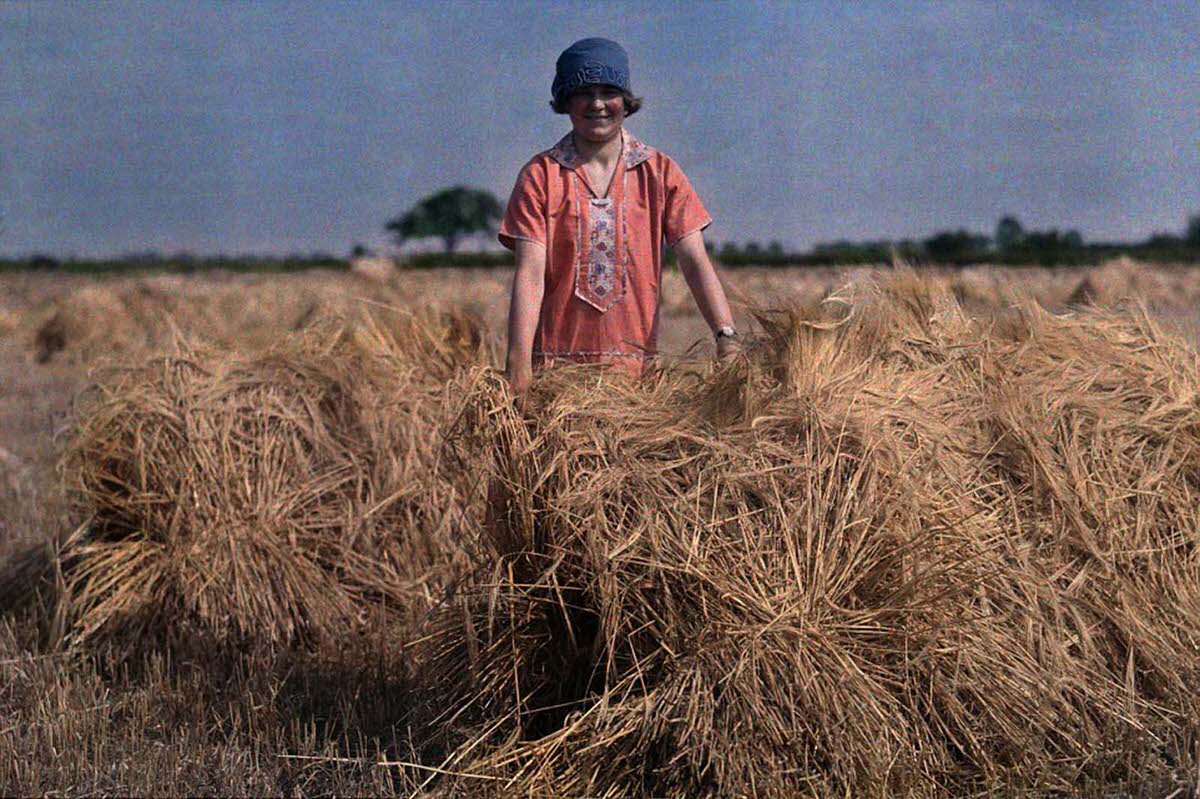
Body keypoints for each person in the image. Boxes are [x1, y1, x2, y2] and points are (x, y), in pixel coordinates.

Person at [499, 37, 739, 395]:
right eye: (583, 92)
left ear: (626, 101)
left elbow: (694, 260)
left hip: (636, 382)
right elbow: (530, 274)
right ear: (565, 100)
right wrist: (518, 366)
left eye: (608, 91)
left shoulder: (660, 172)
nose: (597, 104)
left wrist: (726, 336)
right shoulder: (541, 175)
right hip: (556, 380)